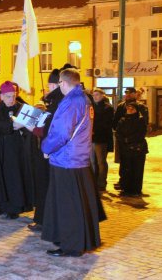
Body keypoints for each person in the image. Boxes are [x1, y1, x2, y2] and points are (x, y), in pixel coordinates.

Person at [41, 68, 105, 257]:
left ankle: (71, 245)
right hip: (77, 158)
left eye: (59, 83)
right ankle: (78, 240)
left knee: (68, 205)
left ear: (64, 82)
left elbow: (61, 132)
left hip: (67, 159)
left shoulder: (71, 102)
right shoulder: (84, 99)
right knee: (77, 204)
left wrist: (46, 148)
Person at [0, 81, 34, 219]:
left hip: (17, 150)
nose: (11, 99)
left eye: (14, 95)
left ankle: (15, 206)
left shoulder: (23, 107)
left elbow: (33, 126)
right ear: (2, 96)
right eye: (9, 96)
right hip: (0, 150)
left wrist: (21, 127)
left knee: (14, 177)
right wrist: (12, 125)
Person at [26, 69, 64, 232]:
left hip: (50, 153)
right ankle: (42, 218)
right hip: (46, 152)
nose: (47, 88)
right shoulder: (53, 104)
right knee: (43, 187)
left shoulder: (59, 105)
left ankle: (44, 220)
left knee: (46, 187)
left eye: (49, 85)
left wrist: (31, 127)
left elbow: (48, 130)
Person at [115, 102, 148, 197]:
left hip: (138, 149)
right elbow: (118, 133)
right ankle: (126, 189)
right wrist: (123, 140)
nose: (129, 110)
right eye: (128, 108)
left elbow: (141, 134)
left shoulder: (140, 120)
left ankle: (136, 190)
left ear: (136, 110)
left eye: (132, 109)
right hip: (126, 149)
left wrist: (128, 140)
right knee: (126, 169)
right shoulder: (123, 120)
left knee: (137, 170)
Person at [92, 88, 114, 192]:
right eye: (94, 95)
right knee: (92, 162)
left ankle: (101, 183)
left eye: (97, 95)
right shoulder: (91, 107)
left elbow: (107, 124)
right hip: (91, 138)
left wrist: (94, 129)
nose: (95, 97)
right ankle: (94, 182)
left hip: (101, 139)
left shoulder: (107, 108)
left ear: (102, 96)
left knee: (101, 162)